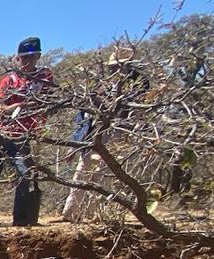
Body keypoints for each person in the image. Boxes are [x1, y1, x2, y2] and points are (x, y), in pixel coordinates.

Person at [61, 46, 149, 222]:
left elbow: (140, 110)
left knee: (104, 175)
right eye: (114, 67)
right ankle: (70, 214)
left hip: (119, 132)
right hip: (94, 134)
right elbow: (83, 116)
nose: (116, 70)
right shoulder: (99, 85)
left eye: (120, 66)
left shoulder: (139, 83)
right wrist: (74, 144)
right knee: (82, 173)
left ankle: (93, 215)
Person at [0, 37, 56, 228]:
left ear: (38, 56)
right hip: (2, 132)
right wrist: (18, 105)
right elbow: (0, 108)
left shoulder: (45, 77)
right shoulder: (9, 80)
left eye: (31, 57)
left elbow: (49, 102)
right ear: (17, 58)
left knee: (25, 173)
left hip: (25, 134)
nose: (27, 61)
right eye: (23, 58)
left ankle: (21, 219)